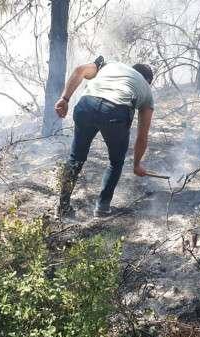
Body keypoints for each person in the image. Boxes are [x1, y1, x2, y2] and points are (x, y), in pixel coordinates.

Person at [54, 56, 154, 217]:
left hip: (86, 105)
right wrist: (136, 164)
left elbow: (79, 70)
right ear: (148, 81)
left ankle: (63, 205)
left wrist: (64, 98)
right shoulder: (147, 91)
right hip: (115, 113)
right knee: (116, 162)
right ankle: (102, 207)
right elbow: (142, 136)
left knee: (76, 158)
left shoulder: (110, 65)